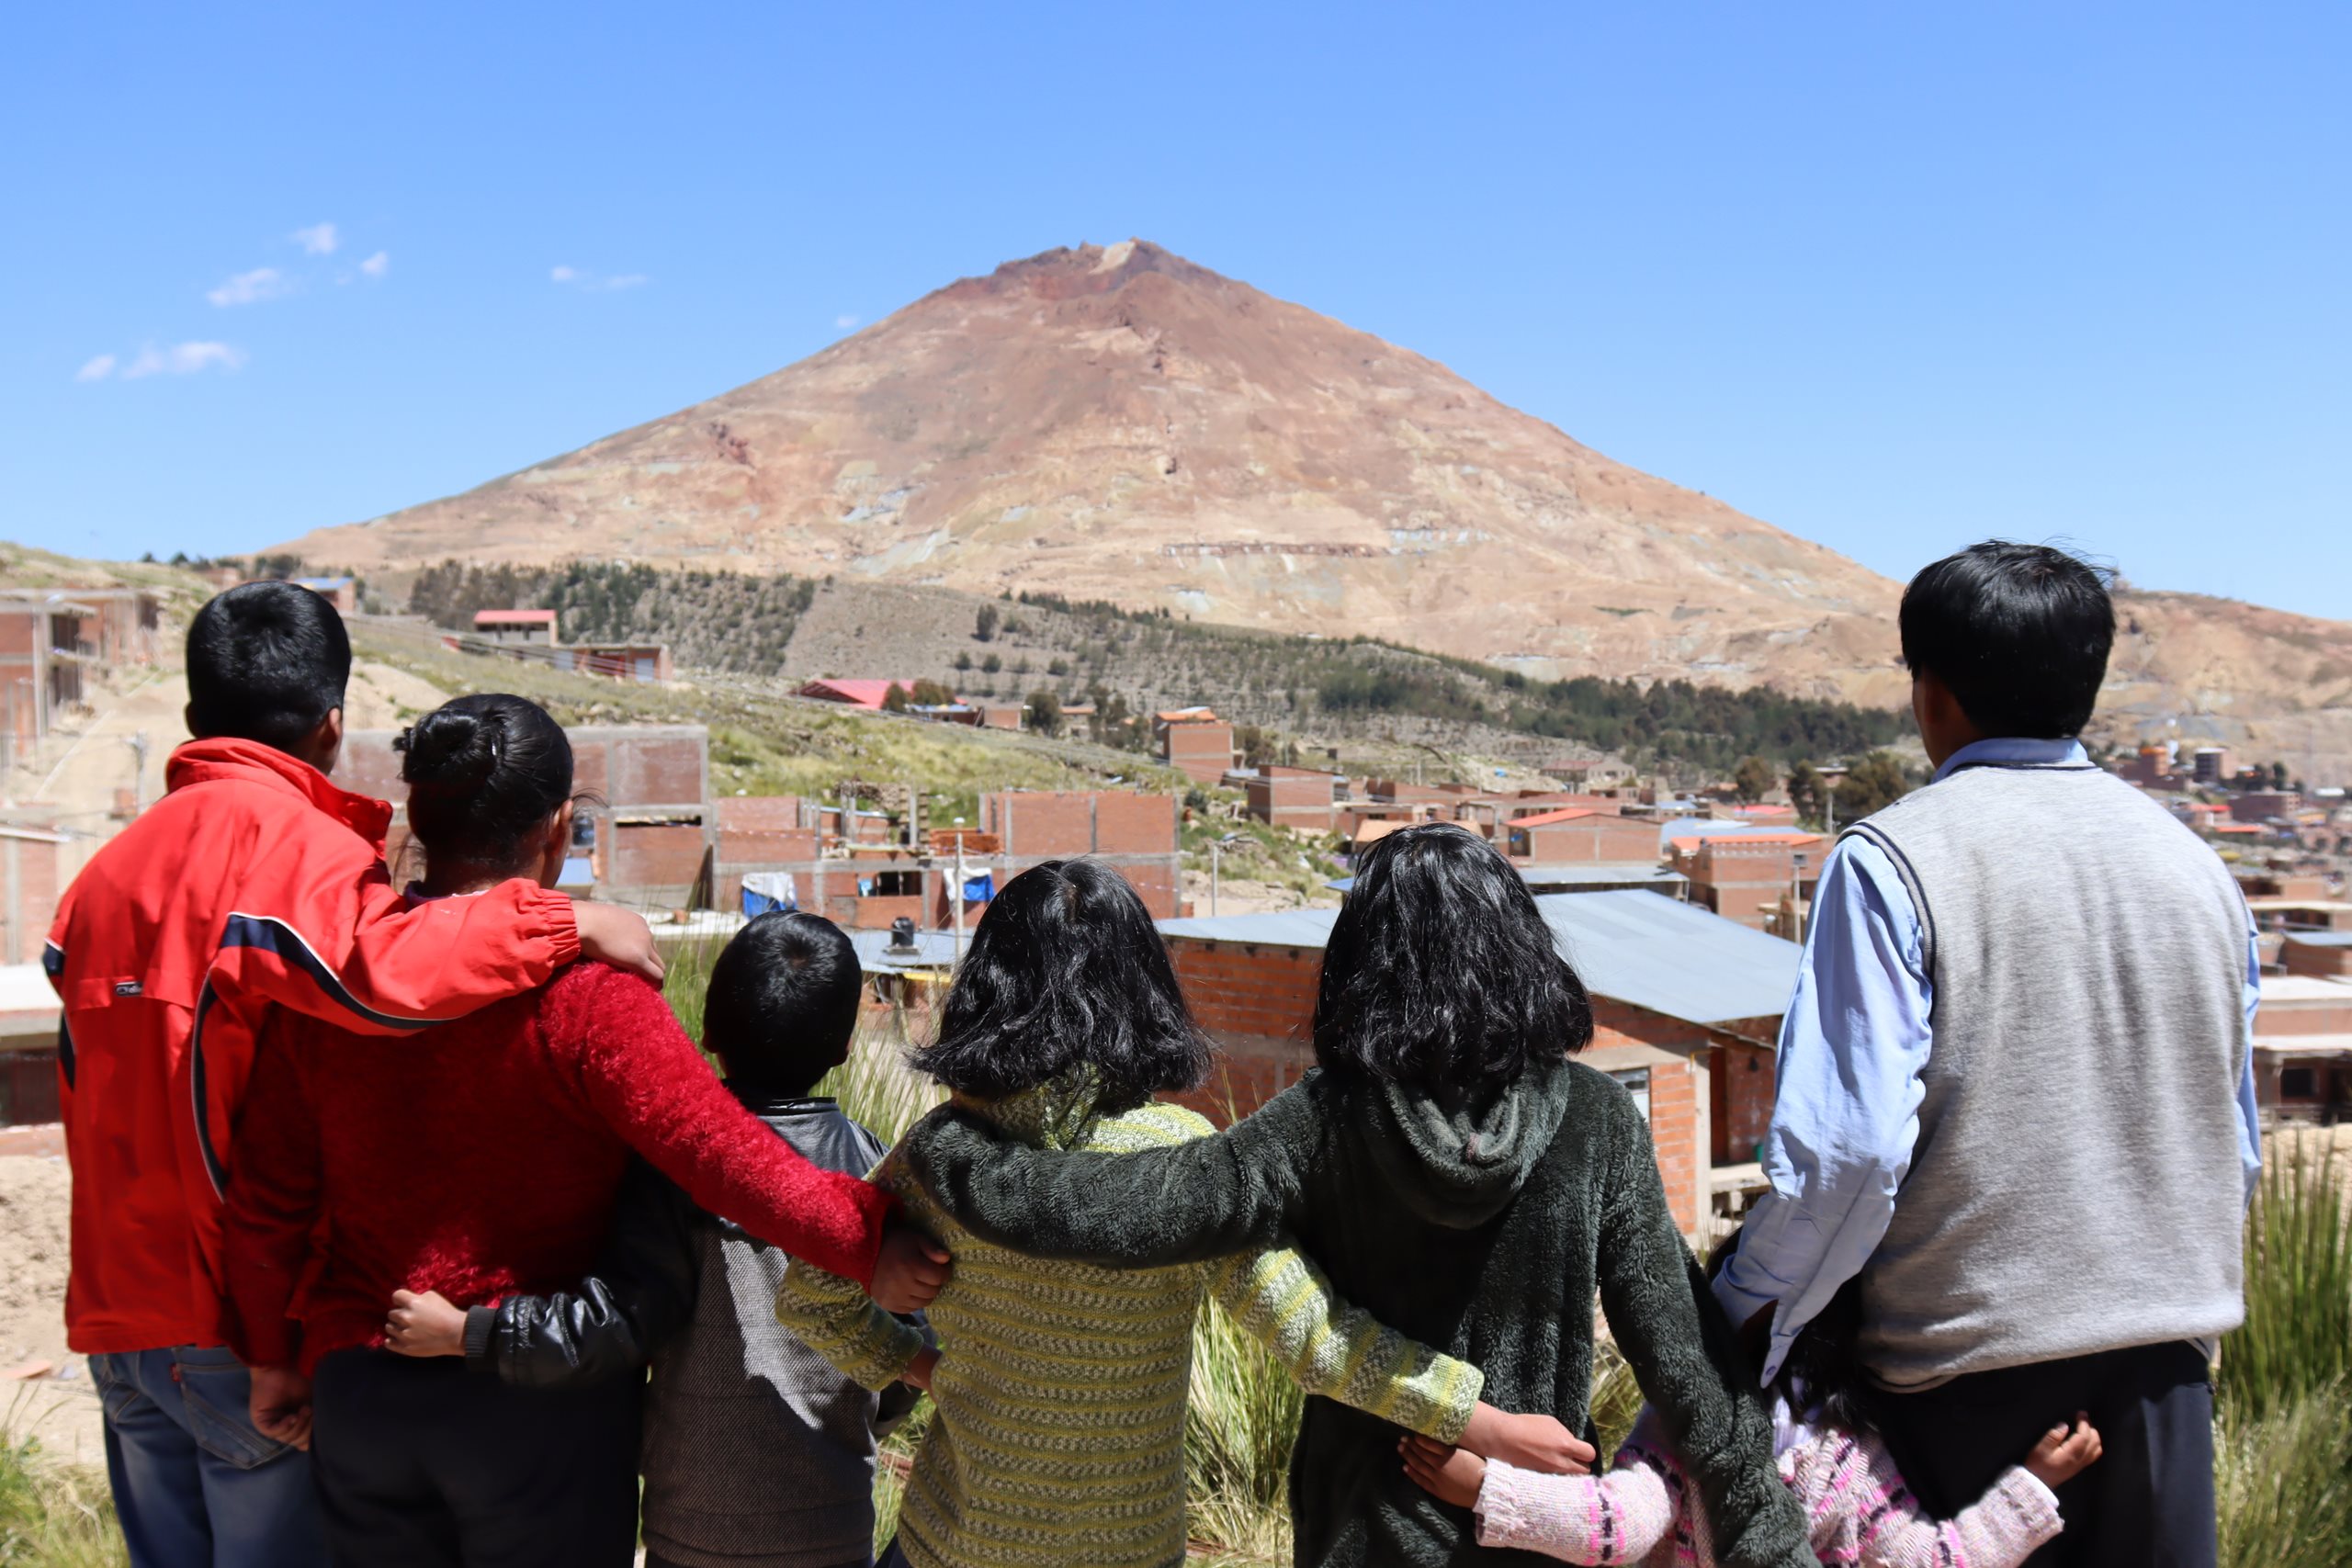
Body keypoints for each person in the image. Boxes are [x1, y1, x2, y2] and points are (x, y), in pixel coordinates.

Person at [891, 826, 1815, 1568]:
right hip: (1537, 1512)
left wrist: (965, 1160)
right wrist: (1769, 1546)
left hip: (1360, 1530)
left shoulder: (1325, 1120)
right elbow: (1692, 1370)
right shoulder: (1597, 1120)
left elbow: (1139, 1206)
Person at [217, 694, 924, 1568]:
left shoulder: (334, 991)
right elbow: (729, 1156)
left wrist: (271, 1358)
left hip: (365, 1392)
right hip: (541, 1418)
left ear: (416, 822)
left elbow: (266, 1201)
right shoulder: (591, 999)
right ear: (558, 829)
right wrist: (868, 1237)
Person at [42, 582, 667, 1568]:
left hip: (121, 1326)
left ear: (195, 712)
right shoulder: (304, 854)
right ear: (332, 725)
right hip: (236, 1333)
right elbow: (397, 973)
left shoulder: (102, 876)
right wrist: (568, 919)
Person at [776, 856, 1585, 1568]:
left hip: (952, 1540)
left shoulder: (939, 1152)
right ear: (1142, 988)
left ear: (989, 985)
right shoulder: (1182, 1155)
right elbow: (1316, 1338)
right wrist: (1479, 1420)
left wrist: (925, 1367)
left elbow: (811, 1295)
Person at [1710, 541, 2260, 1567]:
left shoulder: (1892, 860)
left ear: (1933, 692)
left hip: (1966, 1391)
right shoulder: (2198, 872)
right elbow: (2231, 1145)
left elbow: (1850, 1153)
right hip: (2164, 1381)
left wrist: (1742, 1307)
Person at [378, 909, 929, 1568]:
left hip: (694, 1528)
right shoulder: (877, 1173)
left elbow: (615, 1325)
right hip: (833, 1523)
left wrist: (470, 1333)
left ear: (707, 1032)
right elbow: (910, 1353)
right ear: (844, 1048)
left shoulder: (671, 1167)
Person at [1398, 1237, 2106, 1566]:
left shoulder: (1688, 1425)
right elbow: (1932, 1559)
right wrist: (2030, 1488)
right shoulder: (1844, 1454)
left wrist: (1489, 1489)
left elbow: (1617, 1523)